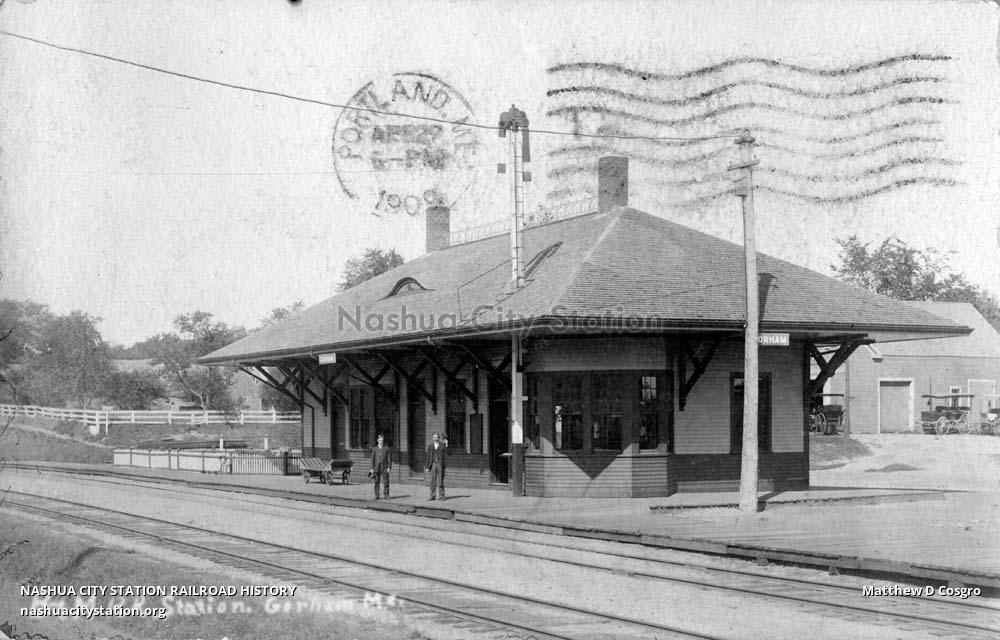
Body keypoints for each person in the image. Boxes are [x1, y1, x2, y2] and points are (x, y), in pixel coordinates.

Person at [425, 431, 448, 500]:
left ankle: (442, 496)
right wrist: (427, 467)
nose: (436, 438)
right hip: (433, 465)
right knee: (432, 481)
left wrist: (446, 444)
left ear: (438, 438)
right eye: (434, 437)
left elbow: (449, 453)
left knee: (440, 481)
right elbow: (427, 457)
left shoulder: (442, 445)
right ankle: (432, 496)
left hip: (440, 464)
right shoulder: (430, 446)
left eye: (437, 437)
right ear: (432, 438)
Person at [370, 433, 391, 500]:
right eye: (380, 440)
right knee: (376, 481)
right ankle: (377, 495)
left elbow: (389, 459)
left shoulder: (386, 448)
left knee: (386, 481)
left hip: (384, 467)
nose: (381, 441)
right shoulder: (374, 449)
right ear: (377, 440)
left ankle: (386, 495)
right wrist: (371, 468)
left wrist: (389, 467)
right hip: (376, 467)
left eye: (382, 440)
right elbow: (372, 459)